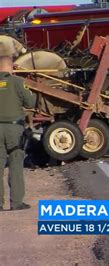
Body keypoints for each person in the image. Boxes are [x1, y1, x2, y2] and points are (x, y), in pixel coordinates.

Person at [0, 40, 36, 211]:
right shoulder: (17, 82)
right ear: (11, 67)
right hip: (14, 129)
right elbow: (30, 102)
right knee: (15, 164)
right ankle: (16, 203)